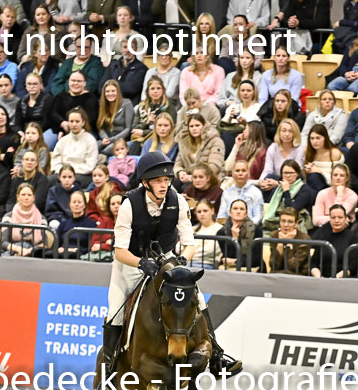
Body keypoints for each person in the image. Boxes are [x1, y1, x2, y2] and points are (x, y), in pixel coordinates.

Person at [101, 150, 240, 377]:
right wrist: (141, 263)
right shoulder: (129, 205)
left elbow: (189, 244)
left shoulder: (178, 201)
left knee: (198, 297)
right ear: (145, 183)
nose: (164, 185)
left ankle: (217, 355)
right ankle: (110, 369)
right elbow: (119, 251)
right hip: (131, 263)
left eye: (166, 180)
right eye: (158, 181)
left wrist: (182, 259)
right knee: (115, 311)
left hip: (166, 260)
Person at [1, 182, 53, 256]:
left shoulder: (41, 218)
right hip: (12, 251)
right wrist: (19, 250)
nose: (26, 198)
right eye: (23, 195)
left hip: (33, 252)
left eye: (29, 195)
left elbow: (45, 244)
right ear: (18, 197)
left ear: (33, 198)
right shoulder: (8, 217)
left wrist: (29, 251)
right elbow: (3, 242)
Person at [262, 160, 314, 234]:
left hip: (296, 223)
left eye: (291, 173)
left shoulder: (304, 190)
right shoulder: (278, 188)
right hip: (277, 221)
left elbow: (291, 211)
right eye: (285, 173)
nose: (288, 175)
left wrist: (286, 191)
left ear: (297, 174)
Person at [50, 108, 99, 187]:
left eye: (77, 121)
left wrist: (70, 172)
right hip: (62, 173)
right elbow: (55, 162)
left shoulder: (90, 140)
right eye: (71, 121)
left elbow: (90, 166)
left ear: (83, 122)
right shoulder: (63, 140)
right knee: (47, 181)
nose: (74, 124)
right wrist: (63, 173)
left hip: (81, 174)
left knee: (70, 182)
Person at [175, 113, 225, 184]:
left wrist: (194, 177)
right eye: (191, 126)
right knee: (173, 184)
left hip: (209, 179)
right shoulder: (184, 142)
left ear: (204, 126)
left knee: (186, 187)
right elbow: (178, 164)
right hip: (189, 177)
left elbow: (214, 166)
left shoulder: (215, 141)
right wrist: (181, 172)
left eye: (197, 125)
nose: (194, 129)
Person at [309, 204, 357, 277]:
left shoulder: (353, 237)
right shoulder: (322, 236)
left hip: (343, 278)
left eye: (340, 217)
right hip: (322, 278)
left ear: (345, 218)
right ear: (330, 219)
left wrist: (337, 278)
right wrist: (319, 277)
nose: (336, 220)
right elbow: (314, 263)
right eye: (333, 217)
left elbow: (353, 266)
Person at [260, 118, 305, 193]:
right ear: (279, 132)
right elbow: (267, 170)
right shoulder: (273, 148)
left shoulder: (299, 149)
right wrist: (262, 182)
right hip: (274, 181)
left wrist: (278, 183)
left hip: (292, 183)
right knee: (268, 179)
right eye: (284, 131)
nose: (287, 134)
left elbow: (297, 173)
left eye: (290, 131)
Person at [100, 34, 147, 104]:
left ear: (136, 50)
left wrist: (111, 85)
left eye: (131, 47)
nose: (127, 50)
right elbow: (101, 86)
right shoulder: (112, 65)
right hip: (110, 102)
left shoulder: (141, 68)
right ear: (121, 49)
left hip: (129, 104)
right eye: (125, 47)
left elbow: (132, 89)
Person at [311, 163, 358, 228]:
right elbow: (315, 221)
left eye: (341, 175)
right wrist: (333, 219)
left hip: (346, 228)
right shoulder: (322, 194)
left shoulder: (352, 196)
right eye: (335, 175)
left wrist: (340, 193)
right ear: (331, 177)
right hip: (324, 228)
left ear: (346, 178)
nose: (338, 178)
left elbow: (338, 214)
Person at [96, 80, 135, 157]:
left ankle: (101, 159)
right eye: (107, 91)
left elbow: (128, 129)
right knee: (94, 146)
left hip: (121, 139)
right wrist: (105, 138)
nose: (110, 94)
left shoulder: (126, 103)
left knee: (108, 149)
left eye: (113, 91)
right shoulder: (101, 104)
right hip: (107, 139)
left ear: (118, 92)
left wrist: (113, 139)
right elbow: (100, 127)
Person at [268, 206, 312, 274]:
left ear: (296, 223)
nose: (286, 225)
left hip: (297, 275)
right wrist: (280, 244)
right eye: (283, 221)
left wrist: (289, 243)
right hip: (277, 274)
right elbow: (273, 266)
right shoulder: (274, 236)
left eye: (290, 222)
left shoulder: (304, 239)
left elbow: (293, 267)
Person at [303, 124, 344, 191]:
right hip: (313, 186)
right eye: (312, 138)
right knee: (312, 177)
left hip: (331, 187)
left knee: (313, 176)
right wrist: (308, 171)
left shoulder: (334, 153)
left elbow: (339, 179)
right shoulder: (308, 152)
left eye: (318, 138)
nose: (314, 142)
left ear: (325, 138)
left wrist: (320, 172)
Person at [222, 159, 264, 223]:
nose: (240, 173)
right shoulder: (226, 192)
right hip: (230, 226)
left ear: (248, 173)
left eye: (243, 171)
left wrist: (246, 226)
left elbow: (258, 216)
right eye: (237, 171)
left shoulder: (256, 192)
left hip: (250, 226)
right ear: (232, 173)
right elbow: (222, 215)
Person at [190, 200, 224, 269]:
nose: (202, 214)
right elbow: (179, 248)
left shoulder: (220, 229)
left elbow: (210, 250)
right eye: (199, 212)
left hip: (208, 264)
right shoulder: (192, 229)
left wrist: (189, 251)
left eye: (205, 211)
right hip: (188, 262)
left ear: (212, 211)